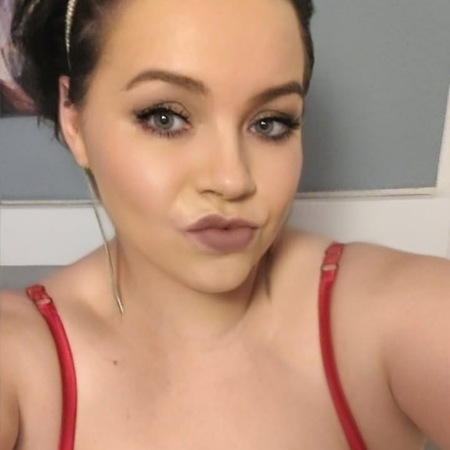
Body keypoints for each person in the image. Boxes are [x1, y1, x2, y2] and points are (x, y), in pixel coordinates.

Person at [0, 0, 449, 448]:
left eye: (270, 123)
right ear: (74, 119)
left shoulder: (394, 315)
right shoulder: (18, 356)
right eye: (165, 117)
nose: (232, 180)